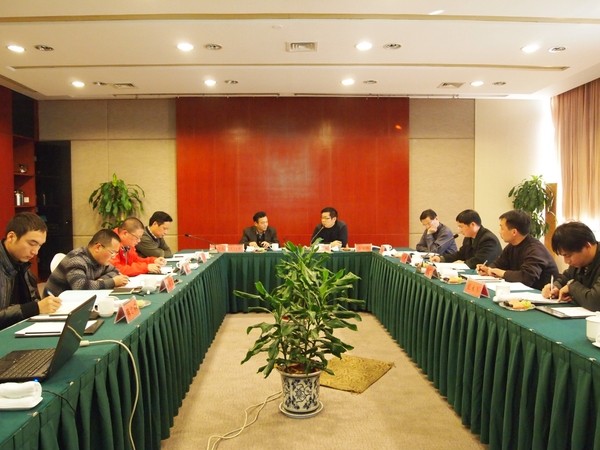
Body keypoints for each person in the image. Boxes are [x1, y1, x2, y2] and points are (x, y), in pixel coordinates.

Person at [0, 213, 62, 330]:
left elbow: (33, 301)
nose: (35, 252)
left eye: (39, 246)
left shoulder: (23, 265)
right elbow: (33, 307)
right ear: (11, 237)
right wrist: (35, 308)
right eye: (32, 244)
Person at [476, 210, 558, 290]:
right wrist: (487, 269)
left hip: (542, 295)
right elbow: (499, 264)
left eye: (502, 228)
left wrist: (502, 273)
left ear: (514, 232)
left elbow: (526, 278)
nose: (499, 232)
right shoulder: (512, 246)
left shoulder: (535, 250)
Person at [45, 229, 130, 296]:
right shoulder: (77, 260)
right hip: (55, 305)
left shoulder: (100, 259)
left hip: (78, 300)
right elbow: (80, 286)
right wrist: (112, 282)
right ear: (98, 247)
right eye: (112, 252)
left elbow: (115, 271)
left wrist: (101, 280)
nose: (114, 256)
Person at [541, 221, 600, 310]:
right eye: (563, 256)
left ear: (587, 246)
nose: (566, 261)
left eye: (568, 255)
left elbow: (595, 302)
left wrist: (571, 287)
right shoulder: (579, 262)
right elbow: (565, 278)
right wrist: (555, 287)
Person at [430, 209, 501, 269]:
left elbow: (479, 261)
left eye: (461, 227)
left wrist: (462, 264)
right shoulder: (468, 237)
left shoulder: (488, 239)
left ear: (472, 225)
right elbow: (461, 254)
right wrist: (441, 258)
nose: (460, 230)